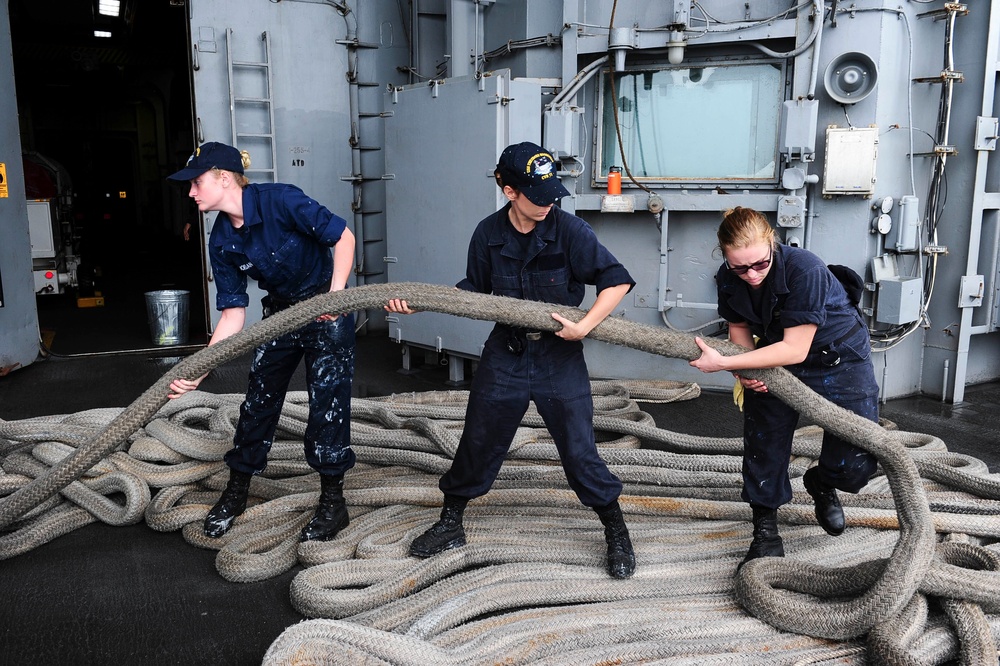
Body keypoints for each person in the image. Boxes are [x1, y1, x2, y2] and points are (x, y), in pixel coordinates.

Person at [385, 142, 638, 579]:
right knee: (479, 440)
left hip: (559, 356)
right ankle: (451, 523)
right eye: (538, 197)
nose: (548, 204)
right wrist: (421, 304)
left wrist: (585, 326)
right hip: (506, 352)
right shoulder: (487, 234)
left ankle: (615, 529)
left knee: (579, 451)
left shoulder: (570, 231)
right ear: (508, 191)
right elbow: (475, 293)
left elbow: (617, 282)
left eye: (552, 194)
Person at [165, 141, 357, 543]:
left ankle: (333, 503)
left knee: (329, 404)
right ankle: (236, 493)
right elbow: (234, 313)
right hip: (282, 316)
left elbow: (343, 238)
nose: (191, 192)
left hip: (326, 307)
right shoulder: (220, 241)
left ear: (223, 177)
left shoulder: (281, 200)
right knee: (257, 403)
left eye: (197, 182)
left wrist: (337, 296)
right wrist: (200, 369)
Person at [689, 206, 879, 569]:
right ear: (726, 258)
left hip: (837, 357)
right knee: (764, 444)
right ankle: (765, 532)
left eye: (759, 264)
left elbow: (797, 348)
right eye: (740, 267)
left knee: (856, 462)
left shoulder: (805, 269)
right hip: (772, 355)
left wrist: (726, 363)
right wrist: (744, 371)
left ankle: (821, 481)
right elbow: (740, 331)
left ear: (772, 245)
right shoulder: (729, 278)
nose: (752, 274)